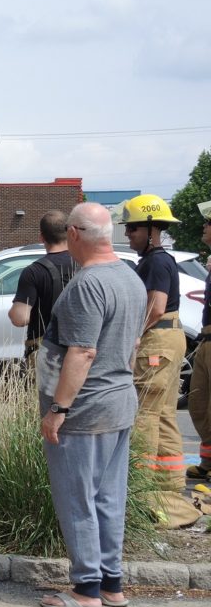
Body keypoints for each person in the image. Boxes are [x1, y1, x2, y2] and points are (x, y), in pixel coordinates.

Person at [37, 202, 146, 607]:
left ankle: (86, 591)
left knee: (77, 498)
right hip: (118, 403)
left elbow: (82, 351)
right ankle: (111, 584)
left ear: (76, 234)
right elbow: (132, 343)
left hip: (85, 411)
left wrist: (58, 410)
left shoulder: (88, 284)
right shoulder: (129, 278)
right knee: (108, 498)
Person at [118, 194, 202, 528]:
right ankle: (168, 489)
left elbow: (155, 307)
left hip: (157, 341)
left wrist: (132, 337)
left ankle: (138, 490)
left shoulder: (155, 261)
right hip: (169, 340)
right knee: (165, 414)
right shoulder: (158, 260)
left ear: (153, 229)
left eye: (133, 229)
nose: (128, 235)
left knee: (145, 414)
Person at [8, 210, 77, 378]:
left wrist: (13, 310)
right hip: (80, 351)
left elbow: (20, 318)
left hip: (44, 351)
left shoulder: (33, 272)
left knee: (42, 402)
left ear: (41, 237)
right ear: (69, 233)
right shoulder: (85, 265)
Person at [186, 200, 211, 481]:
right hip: (206, 340)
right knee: (199, 404)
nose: (204, 226)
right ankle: (207, 463)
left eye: (208, 222)